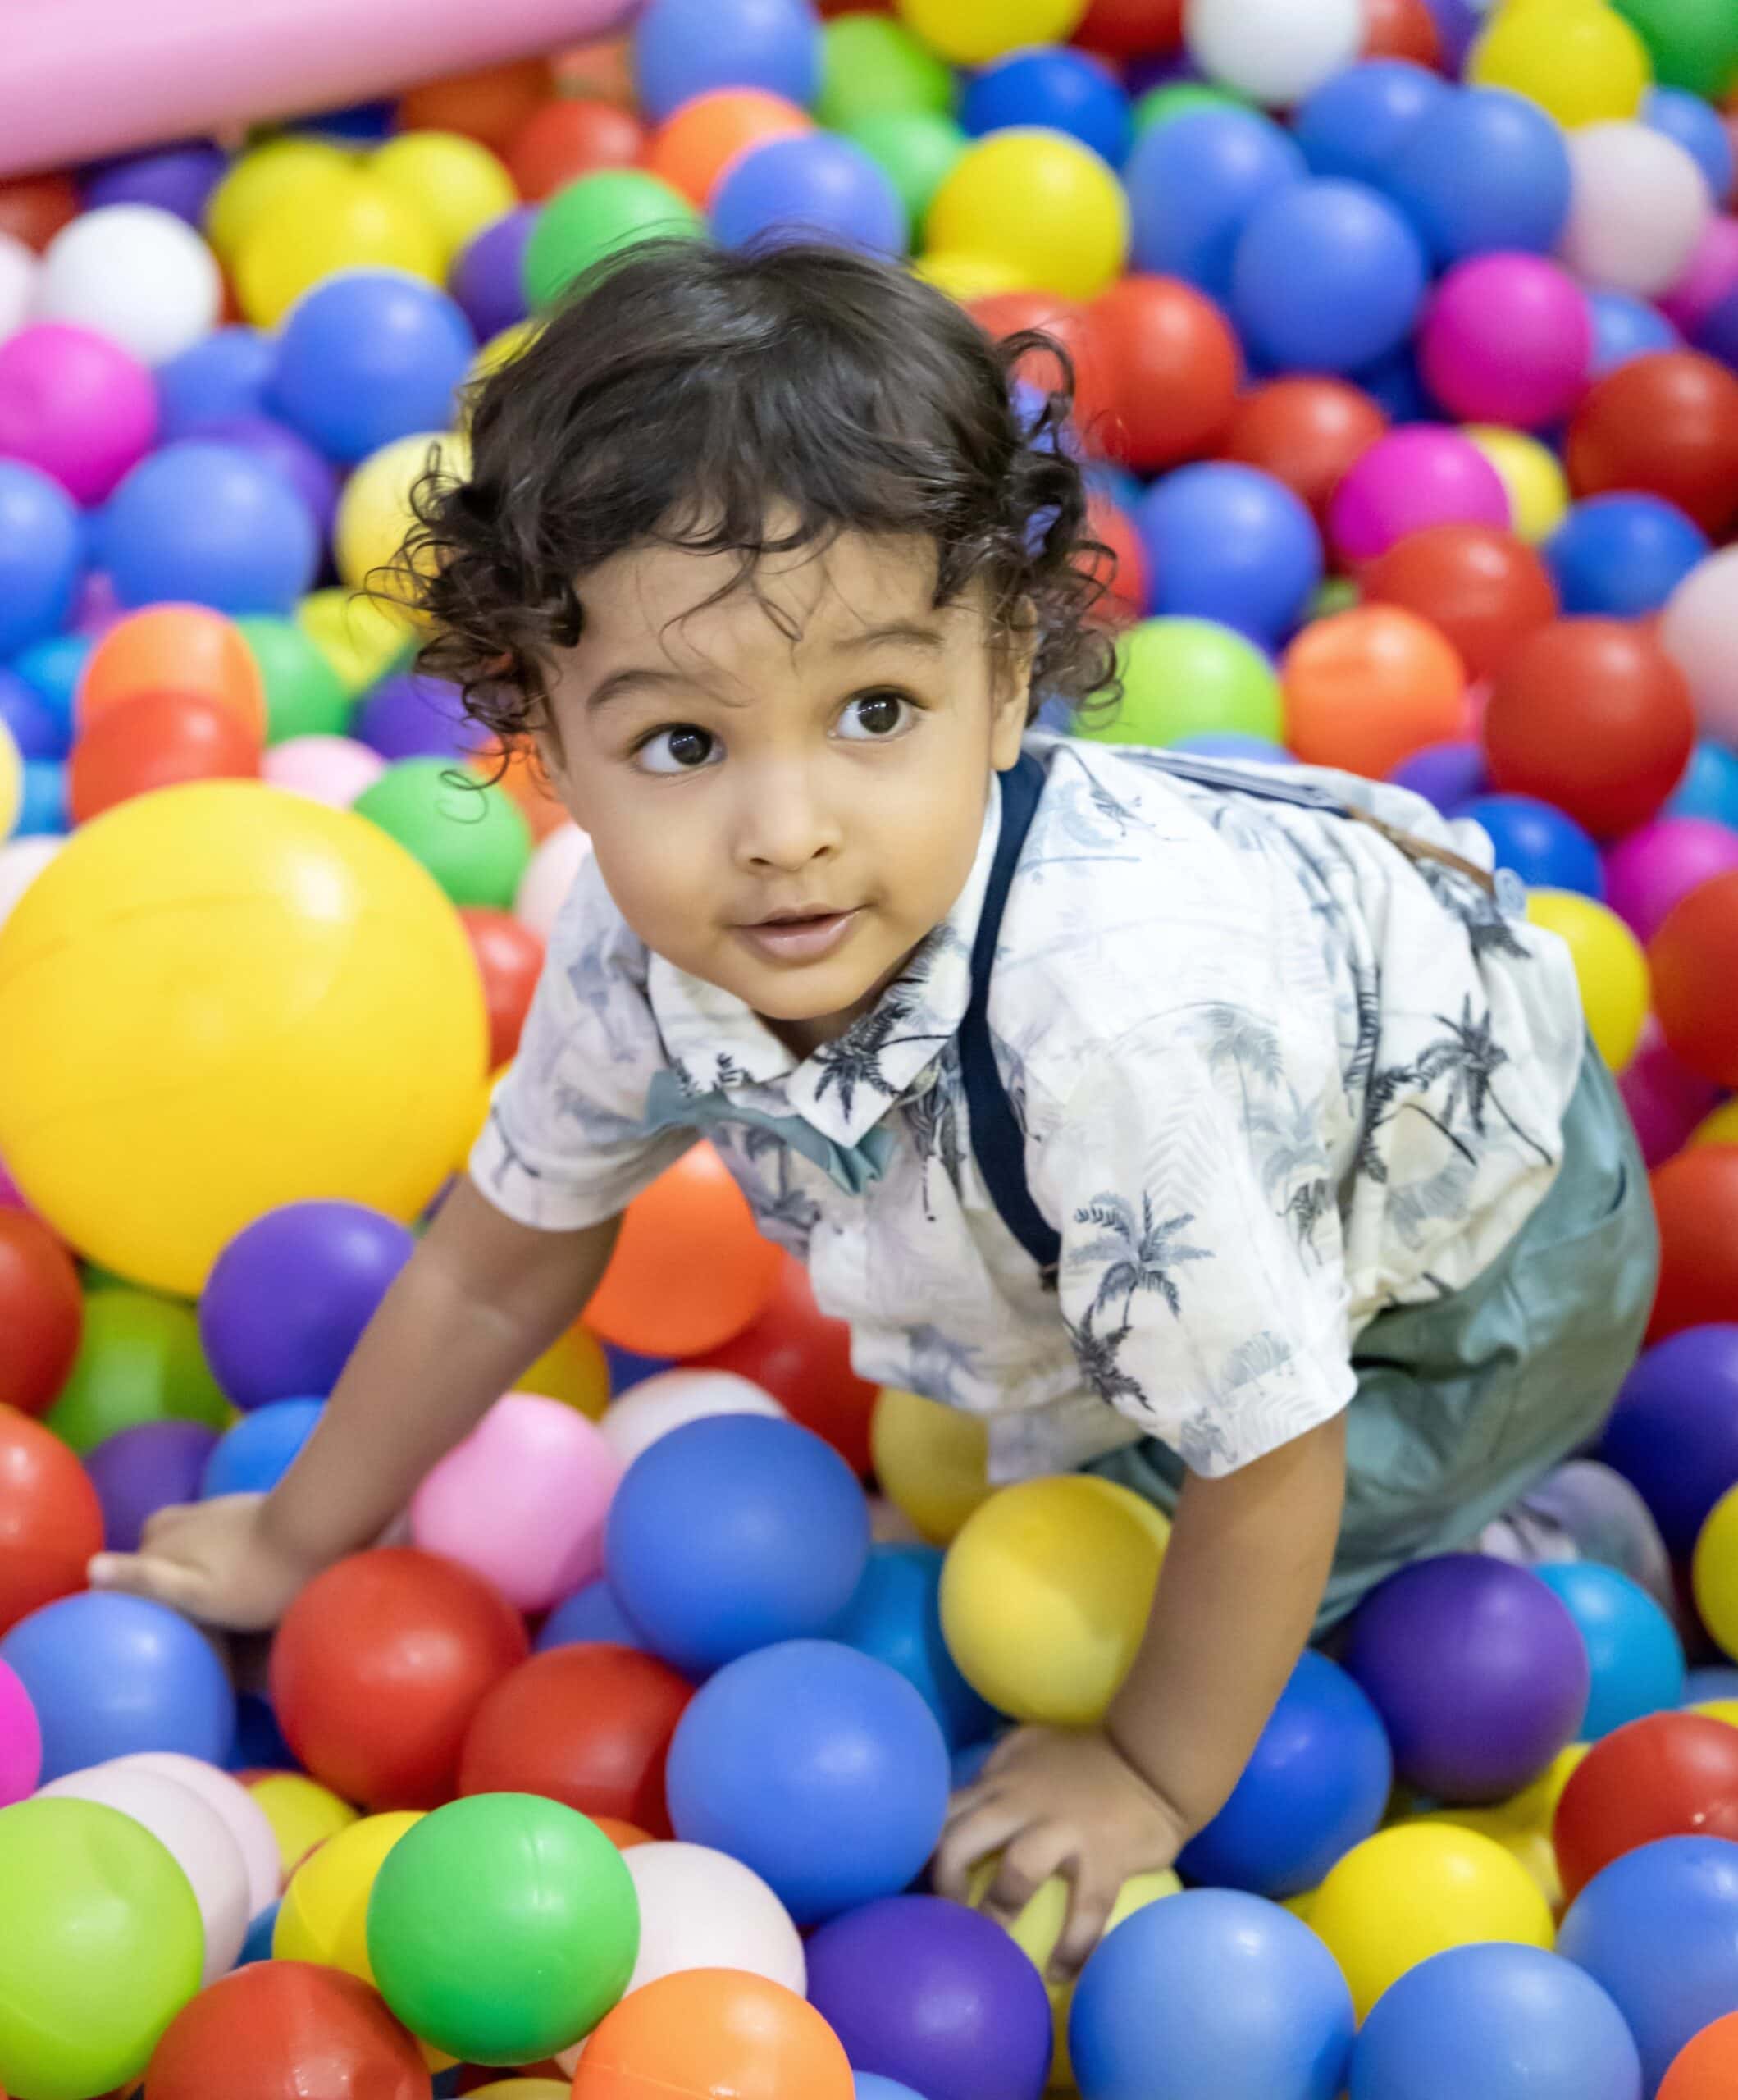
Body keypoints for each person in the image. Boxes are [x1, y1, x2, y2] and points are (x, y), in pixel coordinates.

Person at [92, 240, 1659, 1970]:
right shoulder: (638, 935)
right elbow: (496, 1256)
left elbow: (1274, 1444)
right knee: (1095, 1417)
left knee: (1224, 1511)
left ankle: (1530, 1513)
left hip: (1481, 1258)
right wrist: (299, 1526)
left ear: (1004, 682)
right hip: (1196, 1162)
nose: (784, 827)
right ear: (544, 736)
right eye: (682, 743)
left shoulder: (1113, 1036)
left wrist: (1141, 1763)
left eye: (875, 711)